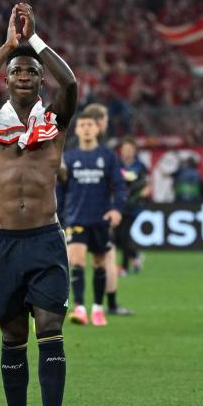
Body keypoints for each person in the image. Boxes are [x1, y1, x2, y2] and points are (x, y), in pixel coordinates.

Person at [0, 3, 77, 406]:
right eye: (18, 71)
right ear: (8, 80)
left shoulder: (55, 120)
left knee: (49, 327)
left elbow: (70, 82)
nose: (26, 75)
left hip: (46, 239)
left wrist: (36, 43)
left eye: (32, 71)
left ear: (40, 79)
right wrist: (8, 47)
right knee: (12, 334)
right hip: (4, 241)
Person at [61, 113, 126, 326]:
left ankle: (97, 309)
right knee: (77, 261)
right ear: (77, 130)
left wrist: (117, 209)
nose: (86, 128)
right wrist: (59, 216)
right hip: (75, 217)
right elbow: (60, 190)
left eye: (90, 124)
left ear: (97, 129)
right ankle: (80, 308)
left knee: (99, 264)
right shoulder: (69, 158)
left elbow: (119, 186)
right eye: (82, 125)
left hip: (100, 218)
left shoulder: (108, 156)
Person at [80, 103, 133, 316]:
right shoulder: (103, 150)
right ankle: (109, 305)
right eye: (106, 120)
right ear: (100, 122)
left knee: (70, 259)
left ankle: (68, 304)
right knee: (106, 256)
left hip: (73, 213)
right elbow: (117, 184)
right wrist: (116, 208)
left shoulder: (72, 145)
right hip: (97, 212)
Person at [115, 137, 150, 275]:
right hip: (120, 205)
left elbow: (147, 185)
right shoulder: (117, 165)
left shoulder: (140, 166)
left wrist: (141, 194)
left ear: (134, 151)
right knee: (118, 237)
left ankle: (124, 267)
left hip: (134, 207)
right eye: (125, 149)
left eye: (130, 149)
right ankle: (135, 256)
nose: (127, 152)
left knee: (123, 235)